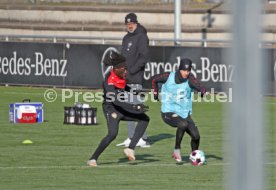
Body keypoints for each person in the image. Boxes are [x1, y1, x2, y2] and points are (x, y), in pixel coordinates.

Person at [87, 51, 150, 167]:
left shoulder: (119, 75)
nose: (126, 71)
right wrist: (134, 106)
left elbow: (123, 86)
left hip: (122, 107)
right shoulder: (109, 80)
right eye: (124, 69)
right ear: (116, 69)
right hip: (112, 109)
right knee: (112, 134)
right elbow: (115, 100)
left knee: (144, 119)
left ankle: (130, 149)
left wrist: (135, 91)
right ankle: (93, 159)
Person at [151, 58, 207, 162]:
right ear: (180, 69)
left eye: (189, 70)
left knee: (196, 136)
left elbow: (199, 86)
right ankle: (177, 149)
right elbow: (154, 79)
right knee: (183, 124)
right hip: (168, 112)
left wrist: (202, 91)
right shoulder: (168, 76)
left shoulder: (190, 79)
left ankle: (194, 157)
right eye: (185, 70)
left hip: (184, 113)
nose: (187, 73)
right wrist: (155, 93)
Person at [117, 12, 150, 148]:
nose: (129, 26)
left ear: (136, 23)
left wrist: (131, 71)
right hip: (125, 79)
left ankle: (143, 138)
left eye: (131, 23)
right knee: (128, 108)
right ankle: (131, 137)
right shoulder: (126, 38)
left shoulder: (141, 37)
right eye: (127, 24)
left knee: (137, 107)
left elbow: (144, 57)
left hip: (135, 78)